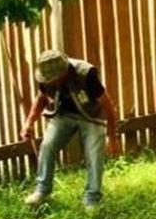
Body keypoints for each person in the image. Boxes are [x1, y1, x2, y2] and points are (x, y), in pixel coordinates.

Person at [20, 50, 119, 208]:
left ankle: (92, 198)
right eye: (48, 80)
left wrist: (112, 138)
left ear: (64, 72)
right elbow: (41, 98)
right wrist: (29, 122)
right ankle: (42, 190)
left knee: (94, 155)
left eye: (54, 79)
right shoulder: (45, 76)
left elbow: (108, 107)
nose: (51, 82)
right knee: (47, 145)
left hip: (92, 116)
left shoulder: (85, 74)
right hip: (63, 115)